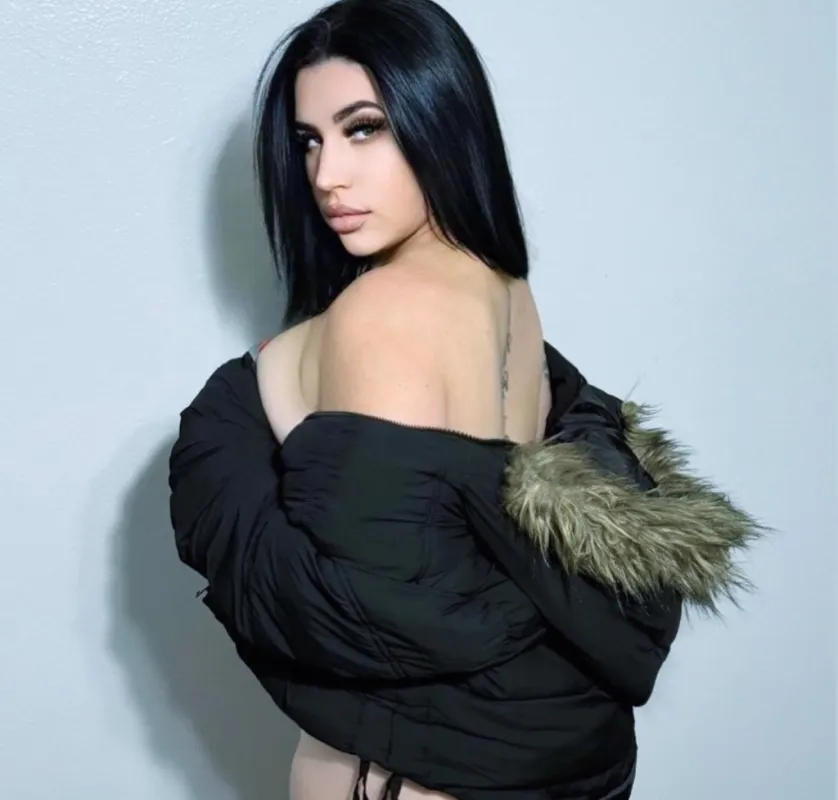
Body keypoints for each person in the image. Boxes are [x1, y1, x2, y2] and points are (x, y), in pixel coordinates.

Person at [168, 1, 764, 798]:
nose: (325, 175)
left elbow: (372, 616)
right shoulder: (506, 291)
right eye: (309, 140)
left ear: (441, 120)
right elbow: (469, 567)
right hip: (542, 762)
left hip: (396, 777)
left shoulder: (385, 310)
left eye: (364, 129)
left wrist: (234, 441)